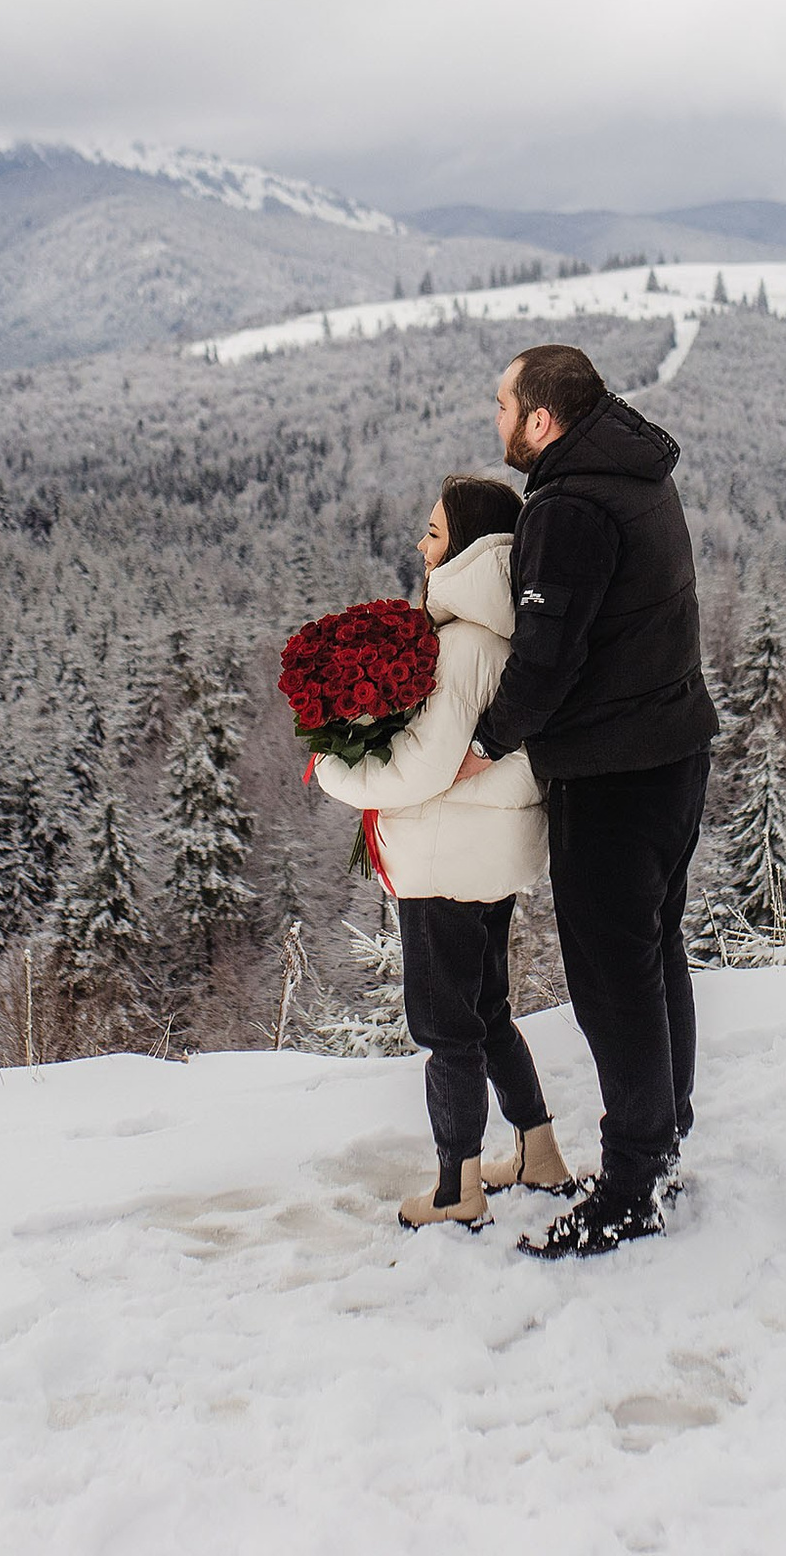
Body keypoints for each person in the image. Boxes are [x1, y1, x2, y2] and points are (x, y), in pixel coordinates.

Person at [453, 343, 718, 1258]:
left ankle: (633, 1186)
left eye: (503, 405)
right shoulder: (634, 470)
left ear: (542, 419)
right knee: (653, 953)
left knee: (613, 982)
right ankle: (663, 1142)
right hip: (675, 751)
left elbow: (546, 658)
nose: (495, 419)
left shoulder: (568, 506)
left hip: (615, 774)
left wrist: (484, 741)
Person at [310, 474, 576, 1229]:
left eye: (433, 532)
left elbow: (427, 766)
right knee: (486, 1008)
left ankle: (457, 1190)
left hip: (444, 857)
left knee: (445, 1025)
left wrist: (334, 768)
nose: (420, 546)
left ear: (467, 547)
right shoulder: (507, 637)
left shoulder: (458, 647)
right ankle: (538, 1152)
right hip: (487, 853)